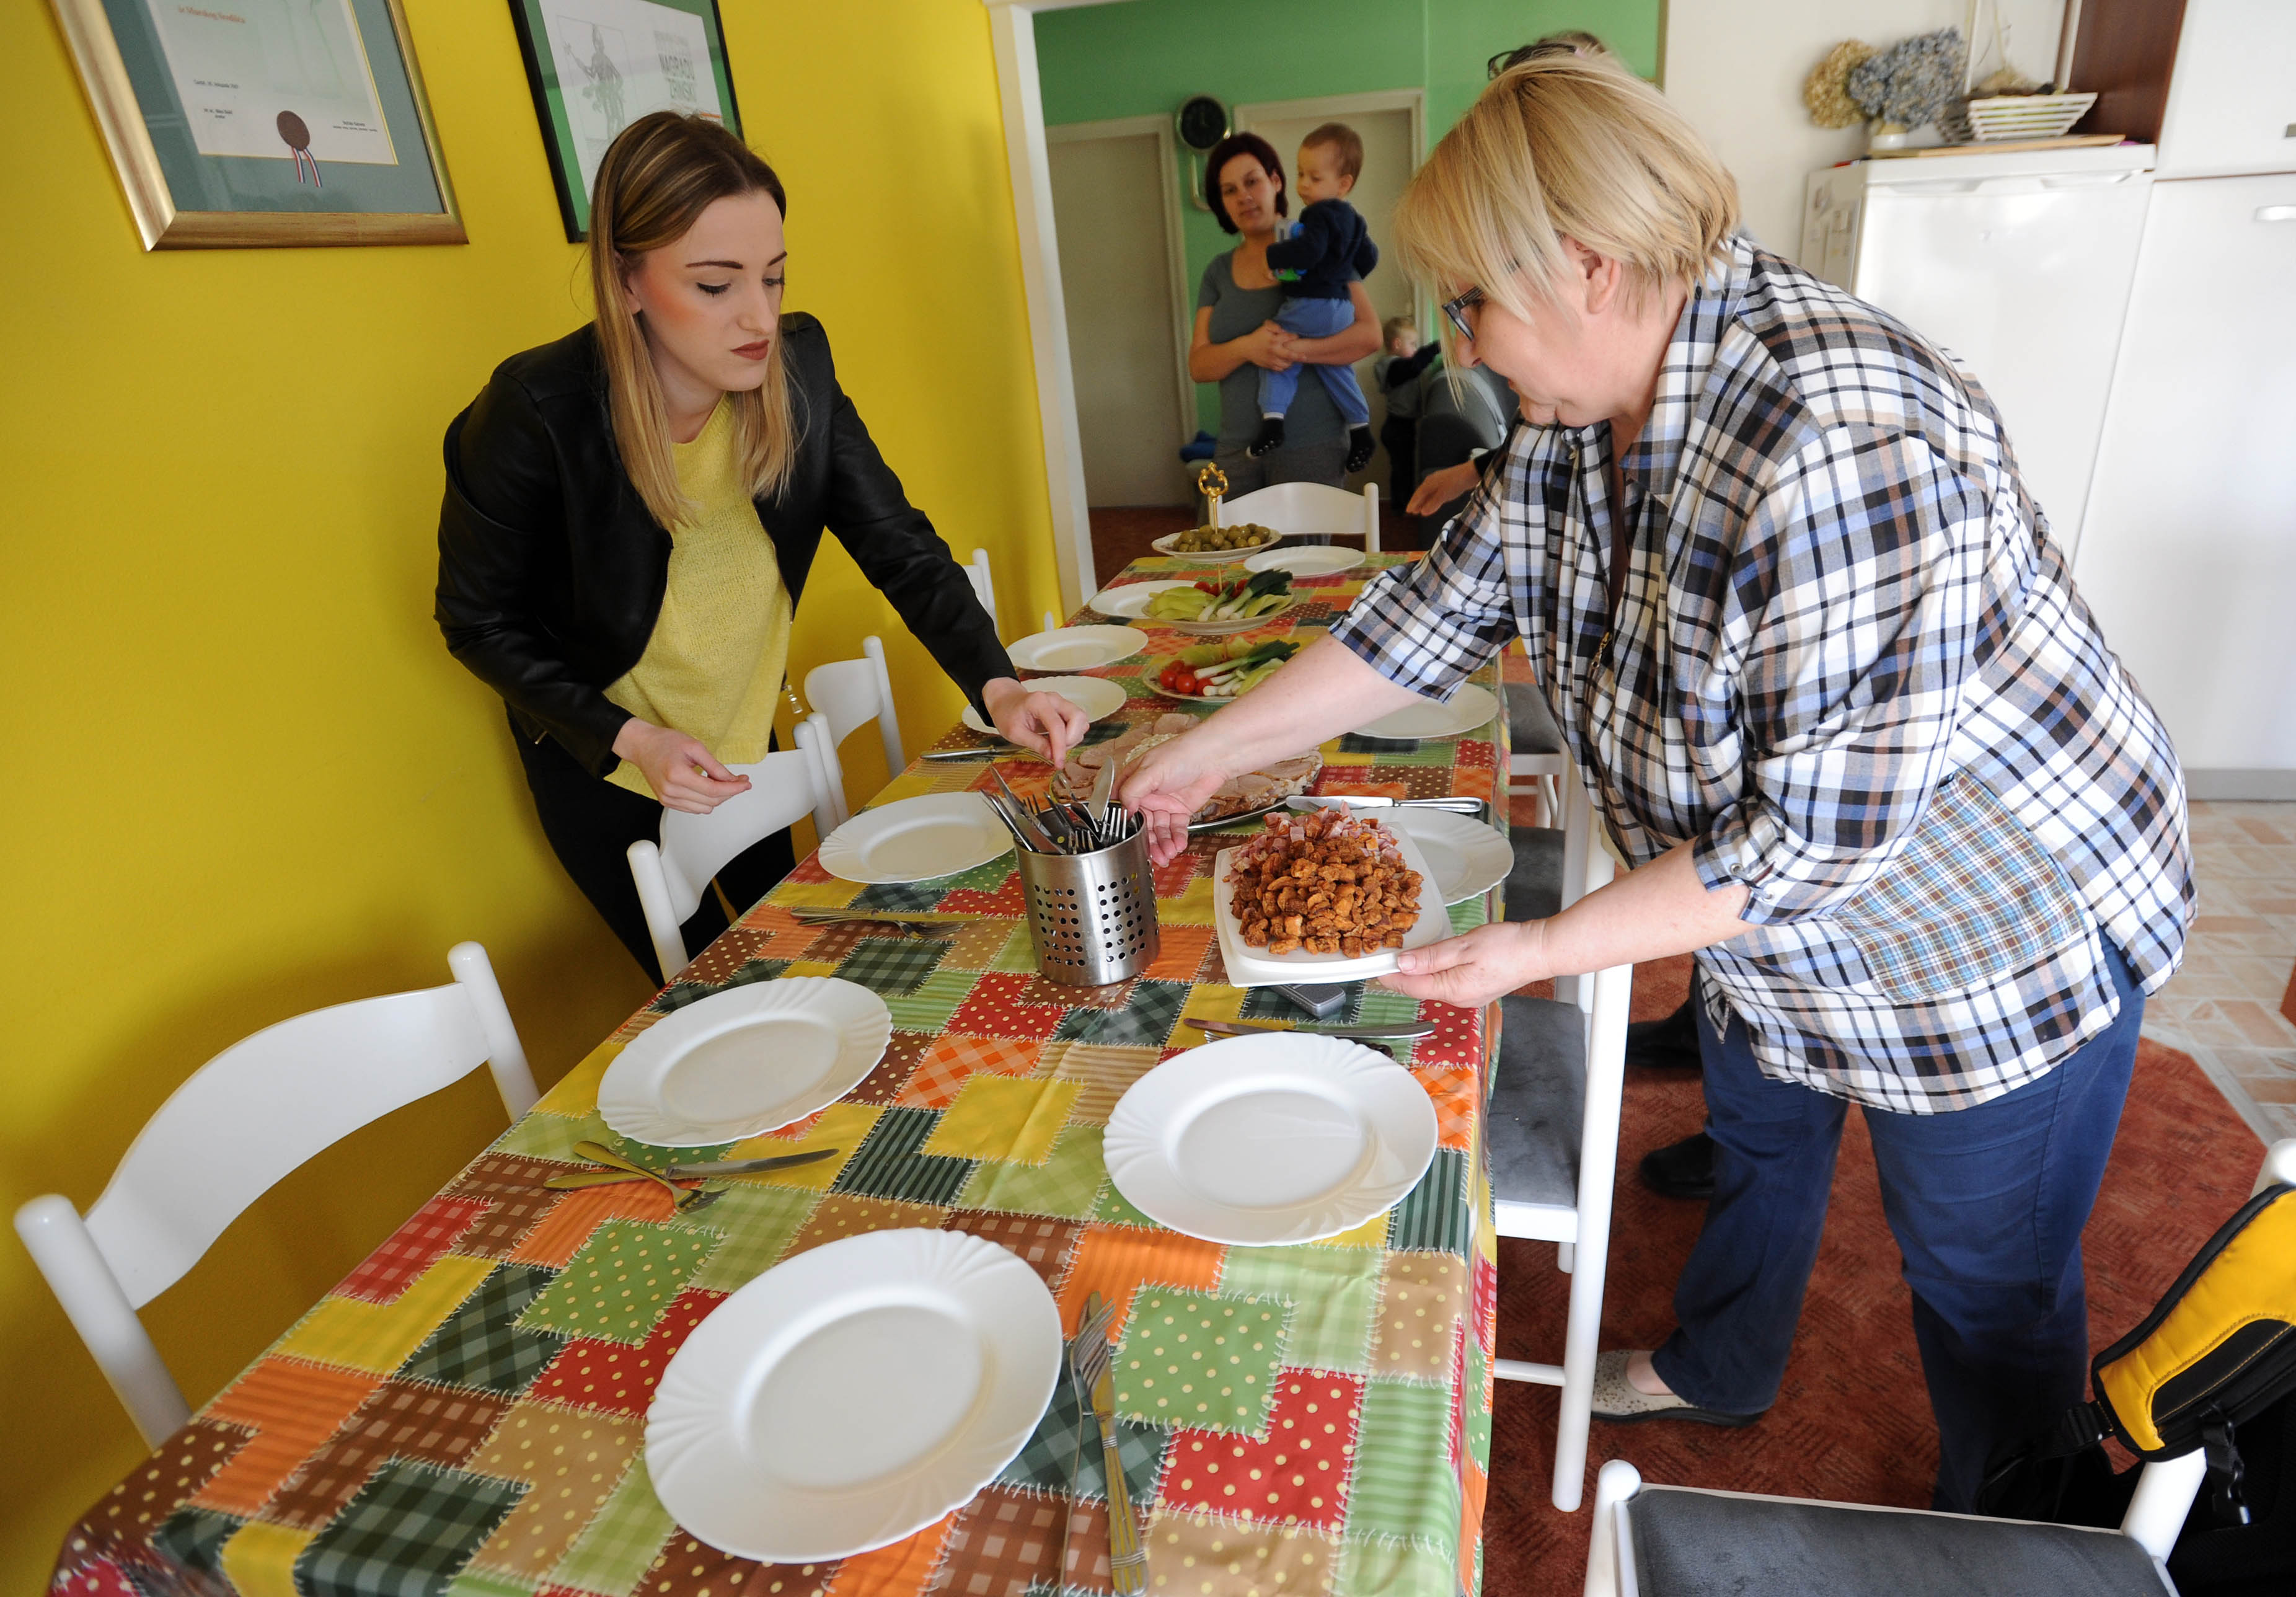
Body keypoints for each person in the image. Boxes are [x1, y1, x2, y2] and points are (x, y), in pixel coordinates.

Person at [1121, 55, 2193, 1513]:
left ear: (1586, 265)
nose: (1463, 343)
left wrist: (1547, 950)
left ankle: (2019, 1529)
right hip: (1752, 916)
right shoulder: (1577, 410)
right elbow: (1427, 617)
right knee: (1757, 1131)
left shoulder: (1837, 435)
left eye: (1471, 302)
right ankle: (1724, 1363)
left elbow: (1814, 846)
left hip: (1982, 930)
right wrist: (1197, 754)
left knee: (1983, 1286)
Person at [436, 113, 1086, 982]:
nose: (757, 316)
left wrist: (997, 684)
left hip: (743, 738)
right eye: (715, 285)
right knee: (716, 996)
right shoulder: (533, 414)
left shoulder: (797, 368)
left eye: (773, 278)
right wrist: (632, 739)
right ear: (626, 280)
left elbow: (898, 544)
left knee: (805, 965)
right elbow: (476, 621)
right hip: (609, 764)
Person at [1190, 132, 1383, 497]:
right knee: (1222, 553)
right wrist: (1249, 347)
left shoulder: (1320, 243)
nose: (1244, 196)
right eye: (1229, 190)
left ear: (1275, 182)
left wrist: (1292, 351)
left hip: (1312, 447)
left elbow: (1370, 336)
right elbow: (1199, 366)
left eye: (1252, 182)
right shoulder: (1217, 272)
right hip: (1235, 449)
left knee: (1303, 555)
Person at [1252, 125, 1379, 472]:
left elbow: (1310, 252)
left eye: (1315, 177)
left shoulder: (1317, 215)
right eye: (1300, 174)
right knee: (1336, 367)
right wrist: (1341, 267)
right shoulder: (1355, 219)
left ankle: (1274, 419)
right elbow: (1369, 259)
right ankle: (1360, 427)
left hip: (1312, 304)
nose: (1304, 184)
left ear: (1344, 184)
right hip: (1341, 308)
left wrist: (1275, 258)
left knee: (1277, 342)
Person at [1374, 314, 1439, 508]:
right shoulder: (1391, 367)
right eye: (1412, 344)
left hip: (1402, 426)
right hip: (1397, 428)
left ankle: (1403, 505)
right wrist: (1436, 347)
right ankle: (1402, 507)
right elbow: (1413, 367)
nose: (1416, 348)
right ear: (1397, 343)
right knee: (1403, 470)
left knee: (1404, 468)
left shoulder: (1398, 366)